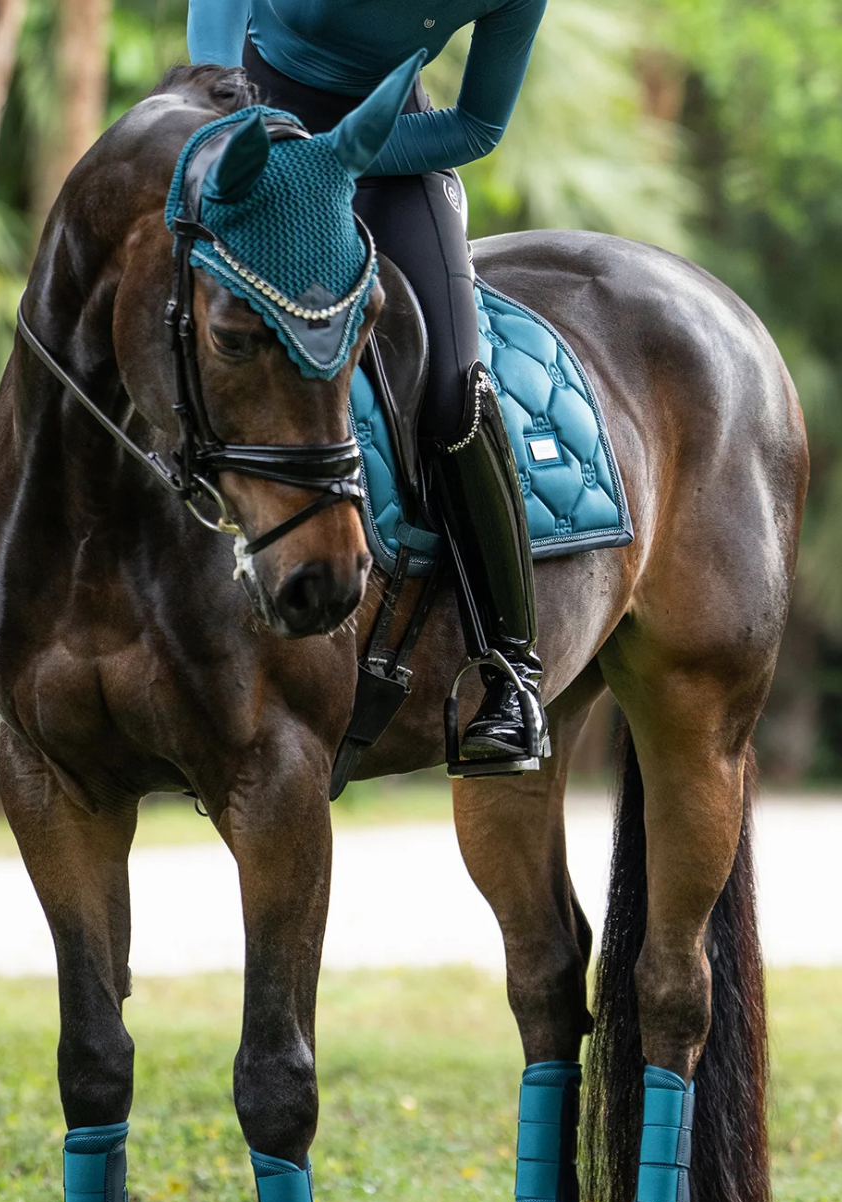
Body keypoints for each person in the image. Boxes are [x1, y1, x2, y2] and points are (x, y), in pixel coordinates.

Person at [187, 0, 549, 770]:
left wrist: (334, 155)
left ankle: (510, 669)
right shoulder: (227, 106)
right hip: (238, 108)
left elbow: (479, 124)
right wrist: (214, 110)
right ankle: (6, 612)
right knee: (113, 291)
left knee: (456, 392)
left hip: (383, 142)